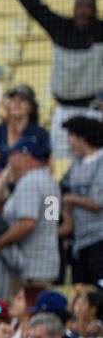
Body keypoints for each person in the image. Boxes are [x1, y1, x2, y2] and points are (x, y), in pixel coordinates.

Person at [0, 0, 103, 161]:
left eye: (86, 6)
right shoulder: (60, 27)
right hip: (63, 111)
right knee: (61, 165)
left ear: (94, 10)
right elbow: (32, 4)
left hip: (93, 111)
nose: (82, 11)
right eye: (78, 6)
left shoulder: (100, 32)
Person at [0, 130, 61, 299]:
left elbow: (28, 223)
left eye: (13, 155)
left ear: (26, 157)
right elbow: (51, 221)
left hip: (28, 268)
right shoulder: (51, 182)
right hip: (48, 264)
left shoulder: (30, 181)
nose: (10, 160)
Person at [61, 115, 103, 285]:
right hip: (80, 242)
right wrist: (52, 221)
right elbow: (55, 191)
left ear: (81, 138)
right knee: (81, 292)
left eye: (70, 136)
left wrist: (70, 199)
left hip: (99, 240)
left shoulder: (101, 162)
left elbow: (98, 202)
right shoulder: (76, 164)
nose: (68, 141)